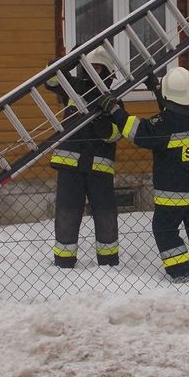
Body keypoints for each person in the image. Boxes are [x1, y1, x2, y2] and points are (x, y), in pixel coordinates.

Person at [101, 66, 189, 282]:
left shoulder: (164, 125)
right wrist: (156, 88)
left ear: (168, 95)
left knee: (164, 229)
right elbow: (173, 108)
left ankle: (181, 270)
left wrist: (115, 111)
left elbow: (139, 132)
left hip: (172, 193)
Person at [43, 47, 121, 269]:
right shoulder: (73, 88)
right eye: (88, 66)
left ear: (108, 72)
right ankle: (64, 261)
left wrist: (102, 120)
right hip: (70, 167)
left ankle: (108, 262)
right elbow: (50, 78)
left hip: (99, 170)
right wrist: (69, 59)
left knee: (106, 215)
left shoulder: (113, 100)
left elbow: (115, 134)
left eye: (97, 67)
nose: (92, 72)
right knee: (67, 213)